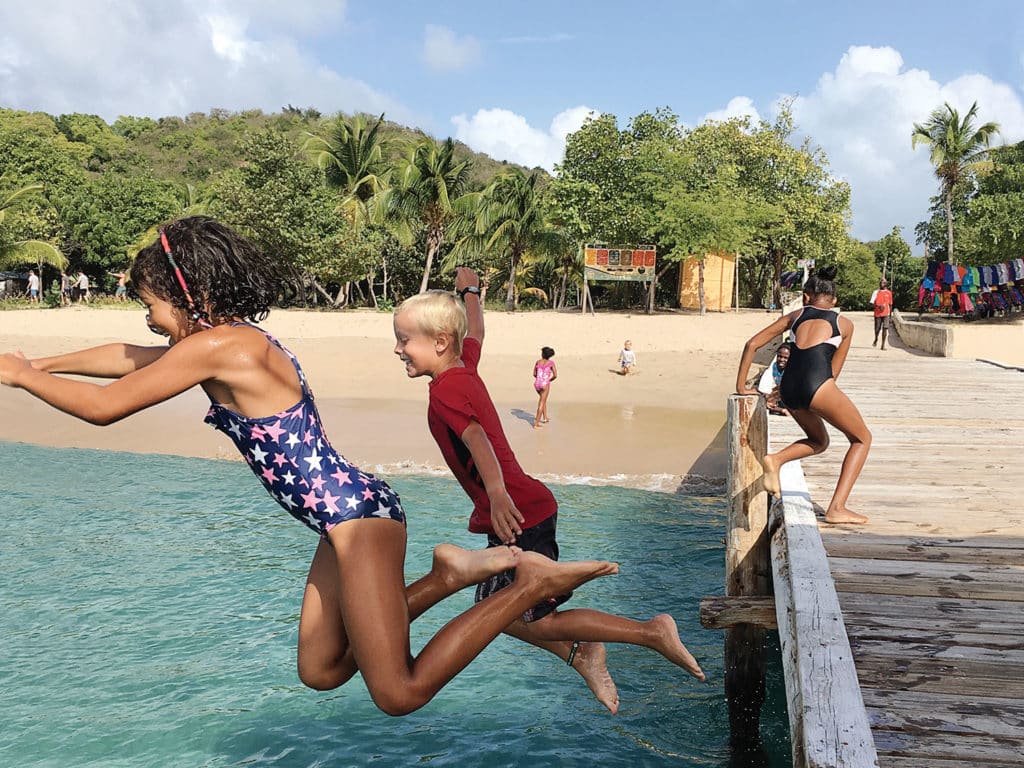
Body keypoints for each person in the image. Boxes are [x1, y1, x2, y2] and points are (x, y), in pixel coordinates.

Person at [0, 216, 618, 716]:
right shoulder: (219, 342)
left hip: (358, 518)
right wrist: (38, 363)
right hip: (340, 520)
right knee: (321, 669)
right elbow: (130, 358)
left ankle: (532, 584)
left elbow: (107, 408)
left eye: (153, 307)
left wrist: (26, 380)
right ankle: (447, 575)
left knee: (398, 692)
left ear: (189, 292)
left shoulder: (222, 346)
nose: (152, 322)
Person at [392, 268, 705, 715]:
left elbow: (477, 438)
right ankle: (586, 652)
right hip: (528, 507)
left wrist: (497, 496)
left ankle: (643, 634)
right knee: (508, 613)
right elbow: (475, 329)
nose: (398, 348)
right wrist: (471, 293)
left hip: (517, 511)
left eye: (405, 340)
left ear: (440, 342)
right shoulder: (463, 365)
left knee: (508, 612)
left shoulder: (445, 389)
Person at [735, 266, 871, 525]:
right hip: (818, 386)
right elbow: (832, 372)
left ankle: (775, 460)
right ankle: (837, 508)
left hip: (788, 388)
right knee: (861, 439)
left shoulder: (795, 316)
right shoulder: (844, 324)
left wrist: (742, 386)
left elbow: (752, 344)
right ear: (834, 301)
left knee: (819, 441)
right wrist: (822, 400)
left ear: (806, 297)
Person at [756, 342, 791, 416]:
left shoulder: (794, 371)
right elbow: (766, 398)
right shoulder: (770, 372)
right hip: (777, 405)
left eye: (785, 358)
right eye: (779, 356)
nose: (782, 360)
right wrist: (782, 410)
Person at [532, 346, 556, 429]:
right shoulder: (551, 363)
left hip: (537, 384)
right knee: (542, 402)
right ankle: (536, 424)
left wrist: (539, 378)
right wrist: (549, 380)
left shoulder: (538, 362)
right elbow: (555, 375)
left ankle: (545, 417)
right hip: (545, 384)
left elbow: (534, 374)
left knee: (543, 399)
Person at [870, 278, 893, 350]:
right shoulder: (876, 292)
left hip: (886, 313)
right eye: (880, 282)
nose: (881, 283)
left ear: (886, 284)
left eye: (883, 282)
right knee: (877, 329)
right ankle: (876, 338)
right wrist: (878, 306)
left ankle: (883, 345)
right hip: (877, 313)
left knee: (885, 328)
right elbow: (871, 303)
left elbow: (890, 304)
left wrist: (890, 316)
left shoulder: (889, 293)